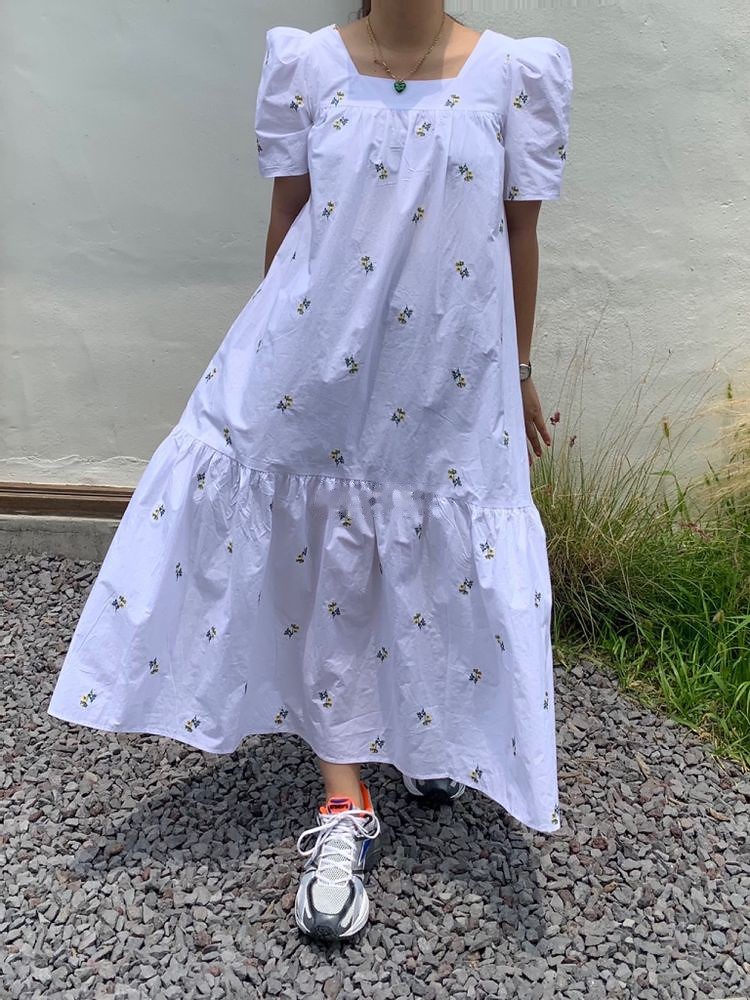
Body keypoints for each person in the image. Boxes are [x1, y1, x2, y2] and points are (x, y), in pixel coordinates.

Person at [47, 0, 573, 941]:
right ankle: (343, 798)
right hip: (315, 367)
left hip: (450, 372)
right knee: (325, 560)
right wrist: (267, 354)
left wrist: (523, 372)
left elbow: (518, 233)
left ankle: (426, 729)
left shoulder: (516, 75)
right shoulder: (307, 66)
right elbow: (289, 221)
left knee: (440, 552)